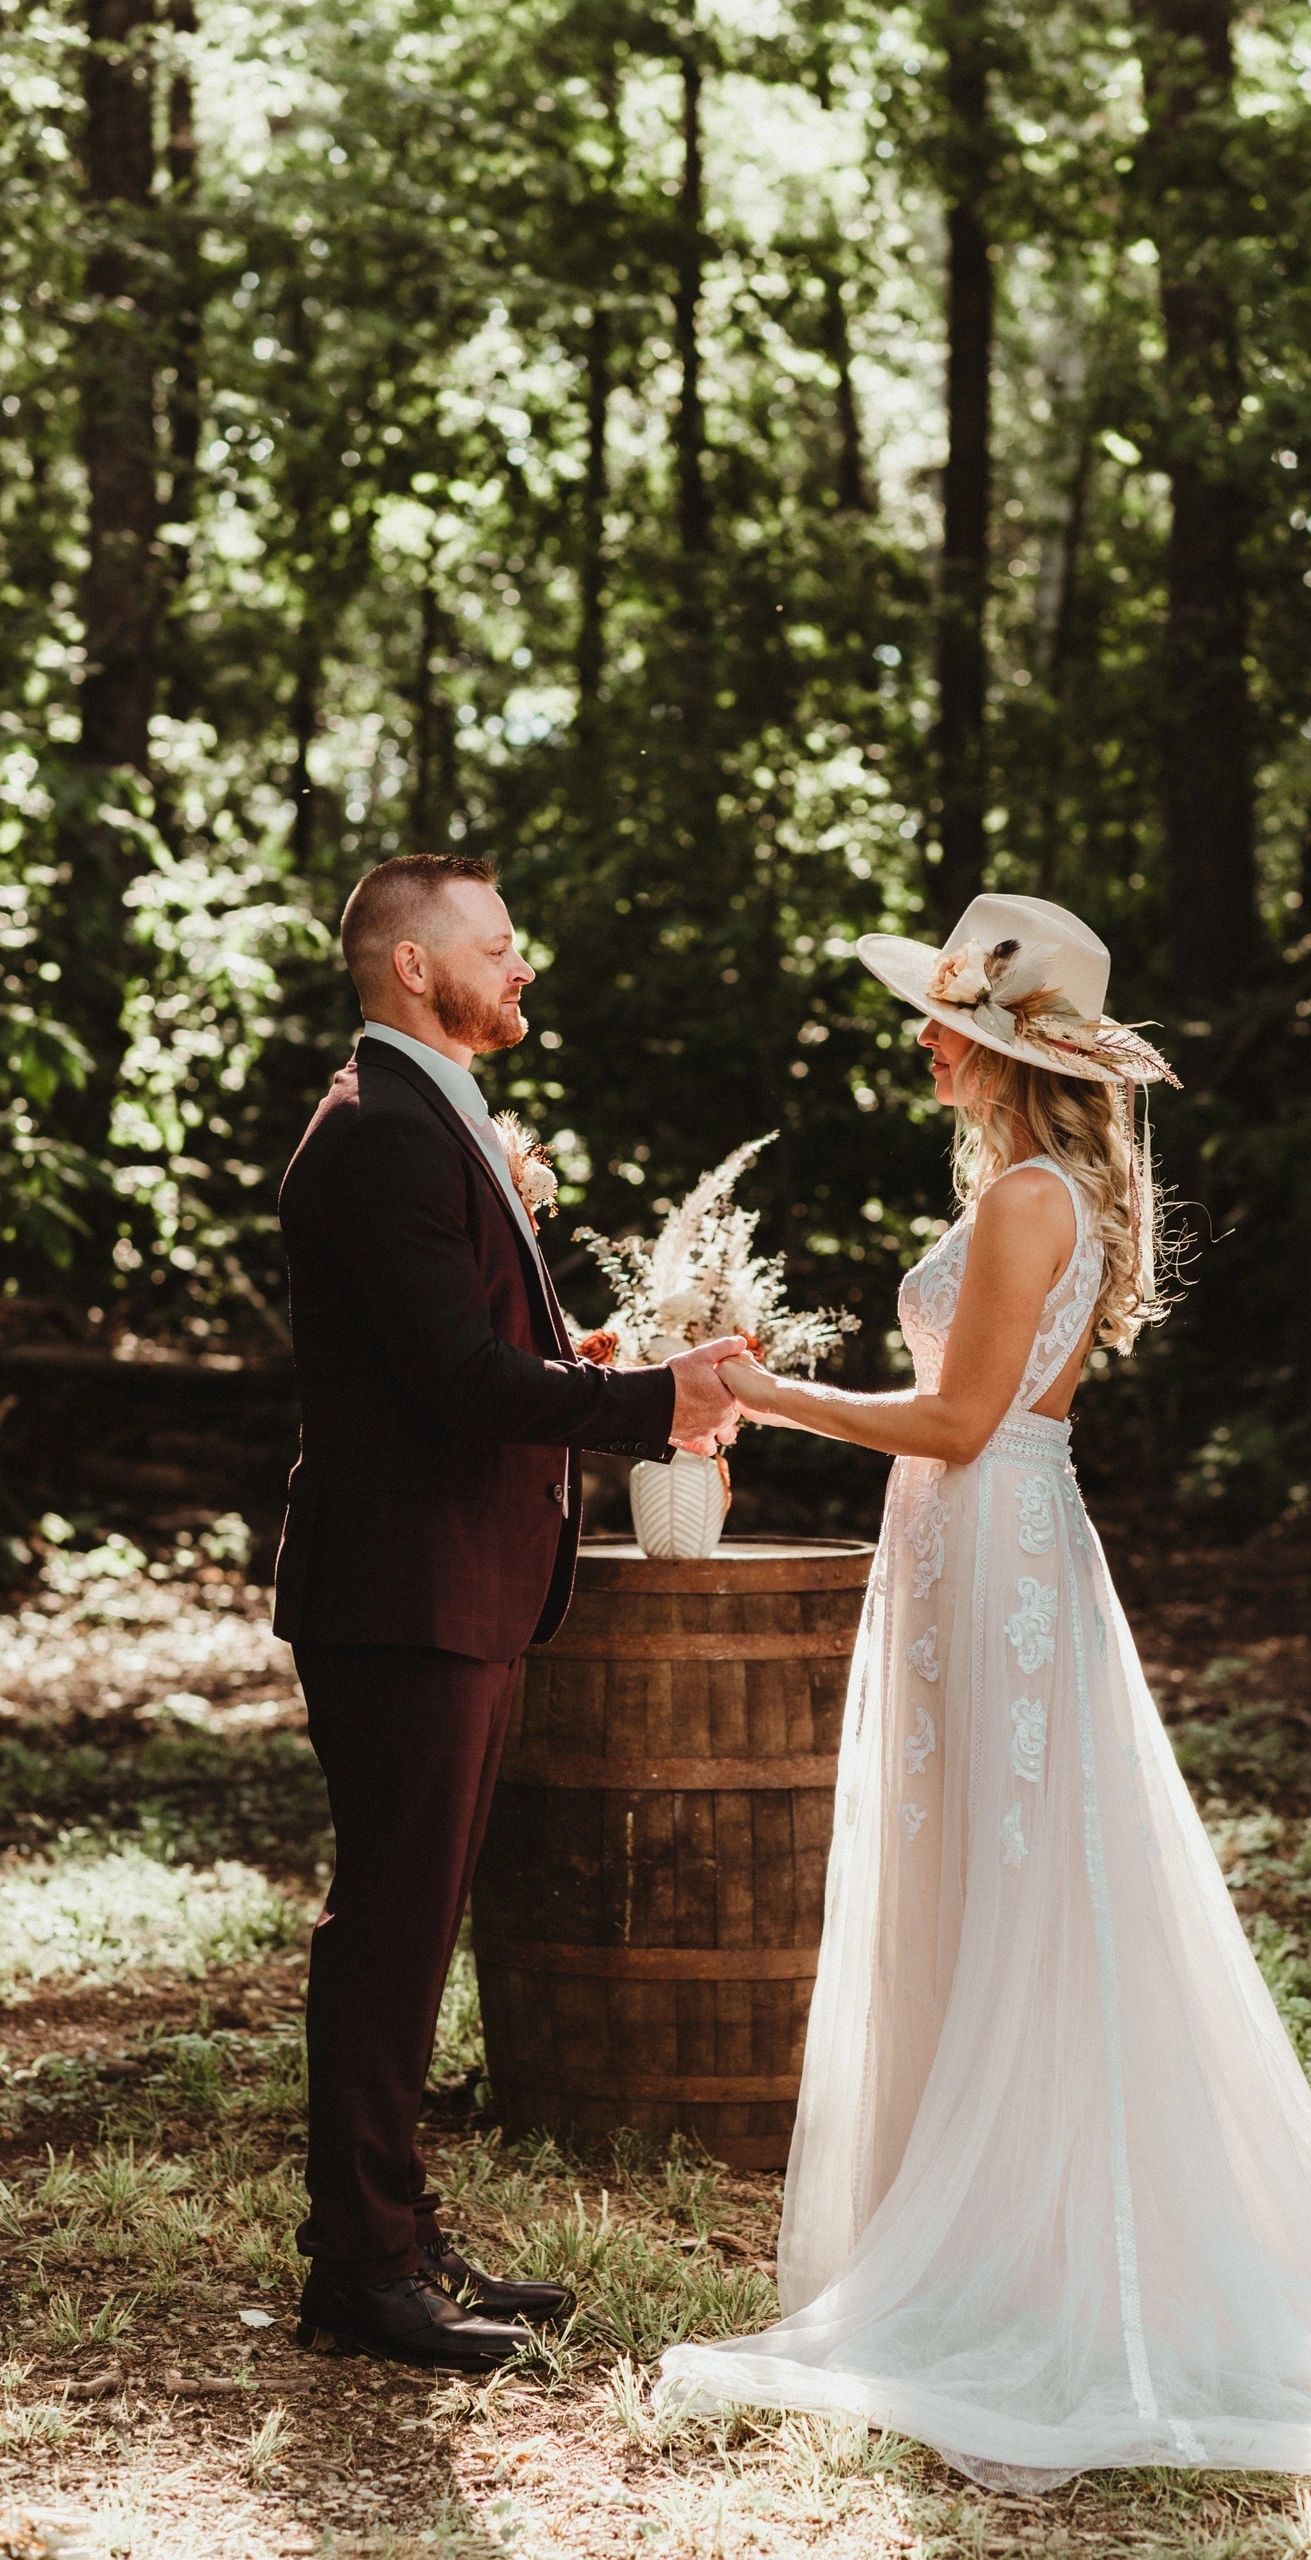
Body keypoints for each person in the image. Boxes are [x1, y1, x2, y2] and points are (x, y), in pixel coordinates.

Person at [656, 890, 1311, 2488]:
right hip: (975, 1552)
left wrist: (761, 1392)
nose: (927, 1043)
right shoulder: (1048, 1186)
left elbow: (957, 1426)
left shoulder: (1026, 1200)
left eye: (948, 1022)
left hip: (992, 1545)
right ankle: (989, 2227)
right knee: (983, 1873)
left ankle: (1039, 2259)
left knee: (1017, 1882)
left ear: (1009, 1047)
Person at [275, 852, 741, 2371]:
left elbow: (469, 1344)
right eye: (498, 943)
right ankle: (361, 2272)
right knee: (389, 1932)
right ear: (415, 968)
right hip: (403, 1594)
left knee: (414, 1926)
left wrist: (584, 1352)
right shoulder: (380, 1136)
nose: (522, 963)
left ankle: (394, 2236)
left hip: (452, 1584)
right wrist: (652, 1398)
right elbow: (456, 1388)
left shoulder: (422, 1117)